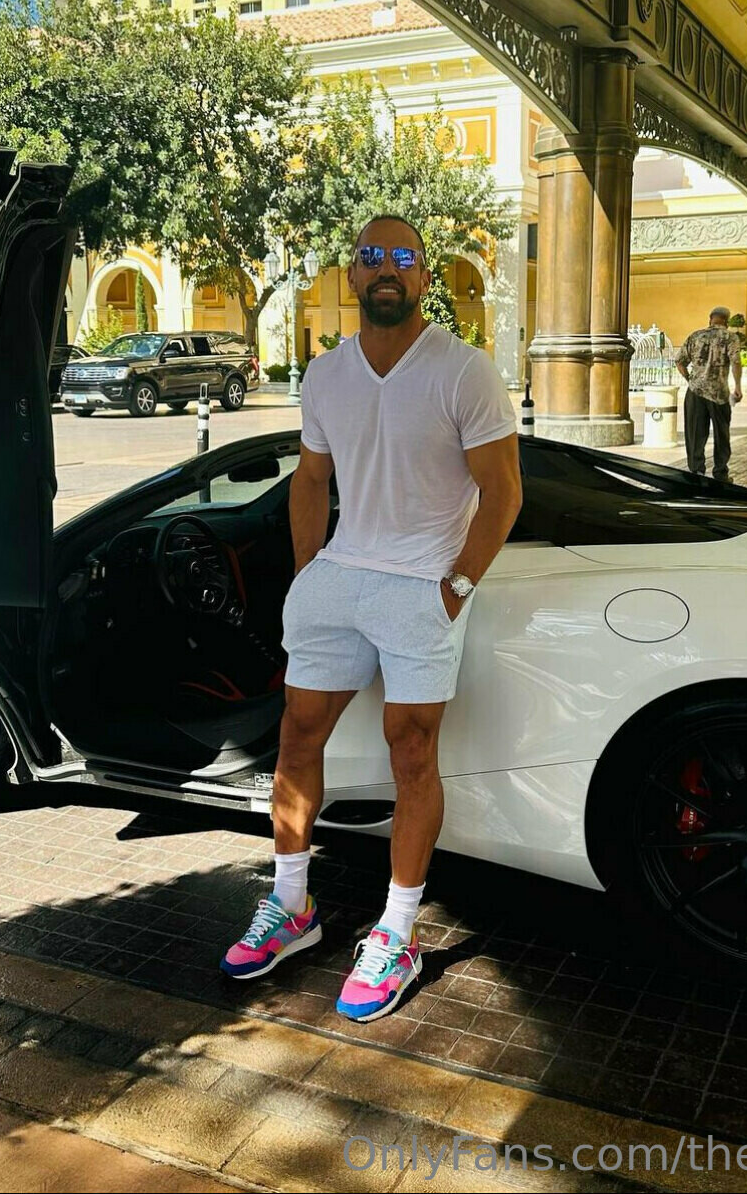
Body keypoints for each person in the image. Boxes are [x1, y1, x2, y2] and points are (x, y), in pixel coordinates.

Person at [220, 215, 522, 1022]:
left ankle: (397, 930)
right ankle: (293, 906)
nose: (387, 268)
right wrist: (306, 574)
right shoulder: (325, 375)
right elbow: (309, 479)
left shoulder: (464, 370)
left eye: (403, 257)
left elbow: (504, 491)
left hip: (423, 584)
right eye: (371, 257)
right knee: (296, 735)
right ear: (351, 275)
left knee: (411, 750)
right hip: (340, 578)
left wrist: (456, 585)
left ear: (424, 275)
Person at [675, 305, 743, 481]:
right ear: (726, 321)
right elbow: (736, 362)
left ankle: (696, 471)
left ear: (710, 319)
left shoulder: (696, 336)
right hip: (719, 393)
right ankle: (720, 472)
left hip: (695, 392)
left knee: (695, 434)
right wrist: (737, 386)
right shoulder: (730, 337)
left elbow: (679, 361)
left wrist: (690, 379)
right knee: (721, 434)